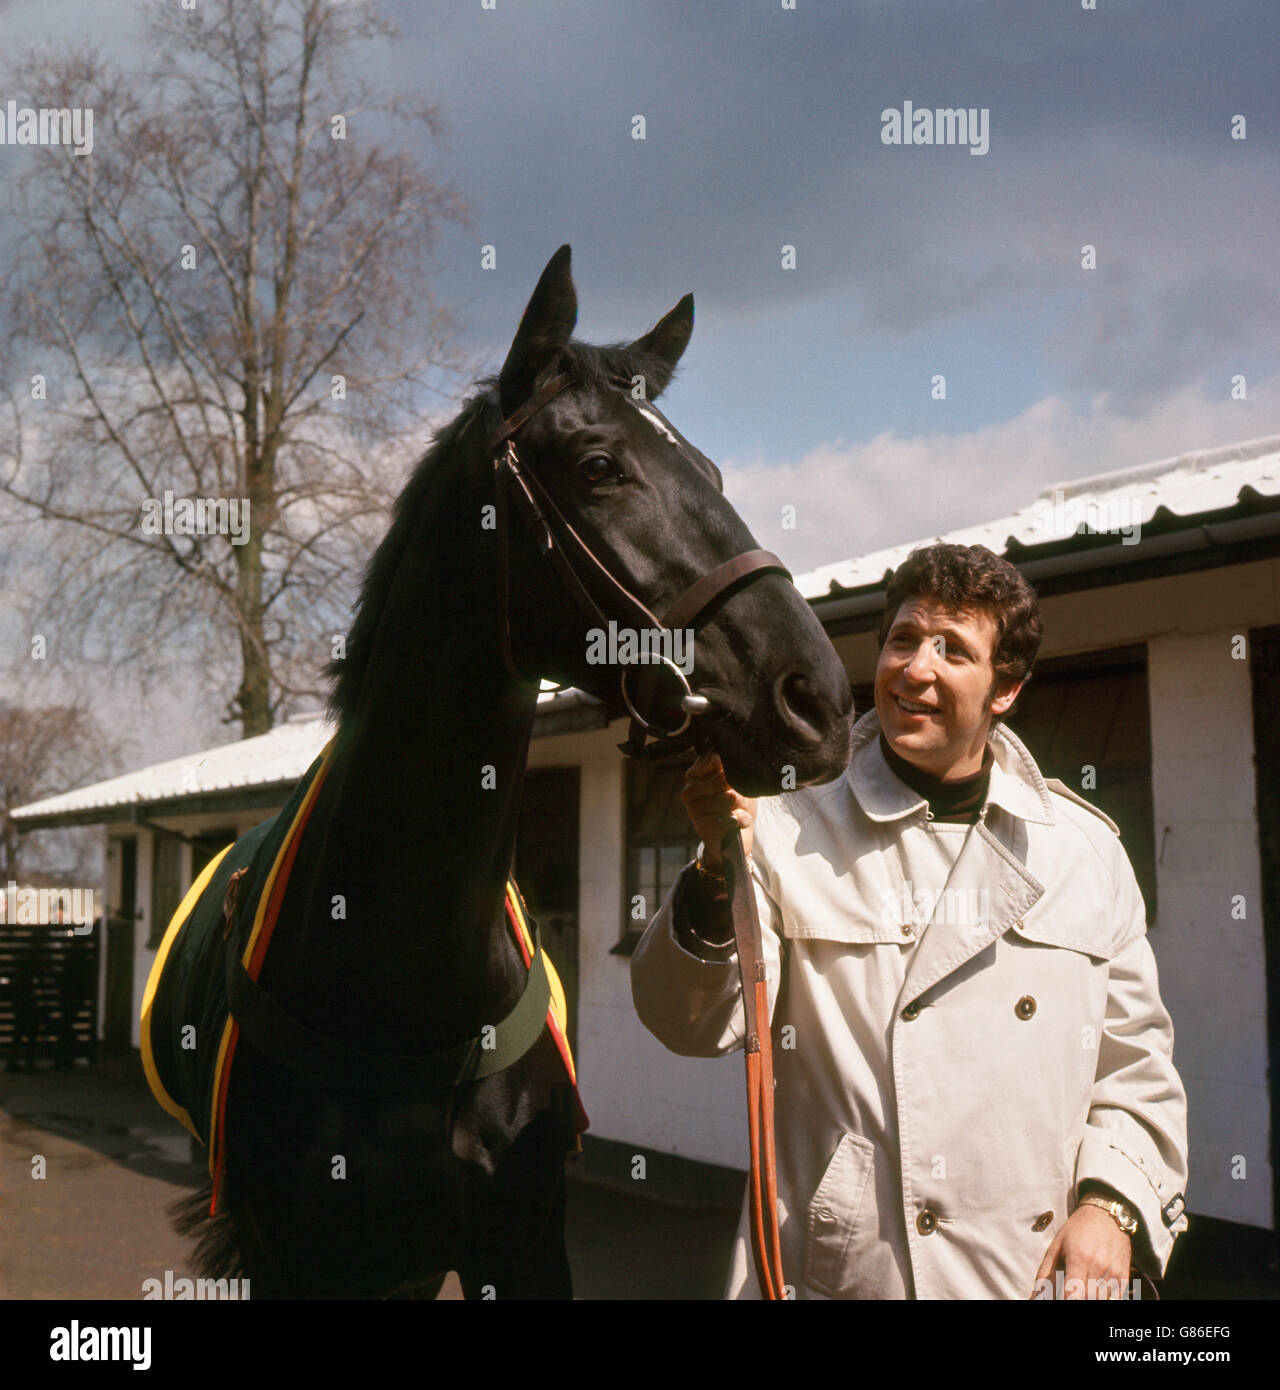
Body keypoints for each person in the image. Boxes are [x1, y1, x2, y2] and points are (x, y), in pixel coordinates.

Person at [630, 542, 1189, 1300]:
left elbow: (1137, 1070)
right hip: (847, 1274)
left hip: (1034, 1278)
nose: (915, 669)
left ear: (1006, 691)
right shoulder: (787, 823)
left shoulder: (1084, 851)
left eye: (952, 649)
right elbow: (685, 1023)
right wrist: (712, 868)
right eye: (903, 640)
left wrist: (1112, 1207)